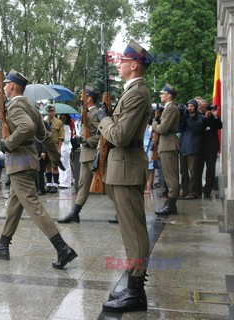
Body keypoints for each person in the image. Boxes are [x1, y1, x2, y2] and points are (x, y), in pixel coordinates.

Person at [0, 69, 77, 270]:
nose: (4, 87)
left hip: (19, 162)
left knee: (33, 206)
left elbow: (26, 128)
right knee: (14, 206)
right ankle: (3, 245)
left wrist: (7, 143)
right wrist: (55, 157)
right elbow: (44, 136)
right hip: (28, 161)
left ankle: (62, 248)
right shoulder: (31, 107)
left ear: (12, 86)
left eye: (6, 84)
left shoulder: (16, 106)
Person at [97, 40, 153, 312]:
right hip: (123, 169)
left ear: (134, 65)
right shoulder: (132, 92)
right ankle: (133, 288)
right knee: (131, 231)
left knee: (135, 233)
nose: (118, 65)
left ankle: (136, 291)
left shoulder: (137, 93)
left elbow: (120, 136)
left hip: (128, 168)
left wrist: (104, 119)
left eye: (122, 61)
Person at [58, 85, 100, 223]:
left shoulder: (95, 113)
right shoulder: (88, 112)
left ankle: (122, 210)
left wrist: (89, 141)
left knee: (108, 185)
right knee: (82, 184)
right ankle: (74, 212)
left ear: (89, 98)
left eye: (83, 96)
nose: (81, 98)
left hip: (93, 154)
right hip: (86, 154)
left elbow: (103, 134)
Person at [152, 83, 180, 215]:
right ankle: (170, 203)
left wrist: (154, 124)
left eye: (163, 93)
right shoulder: (168, 108)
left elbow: (163, 129)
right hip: (166, 144)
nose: (161, 96)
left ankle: (171, 204)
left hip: (168, 144)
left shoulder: (171, 109)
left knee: (170, 176)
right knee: (167, 175)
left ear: (169, 96)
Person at [178, 99, 203, 199]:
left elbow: (197, 129)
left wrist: (188, 118)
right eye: (188, 106)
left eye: (192, 106)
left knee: (193, 171)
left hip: (193, 148)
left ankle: (194, 192)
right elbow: (179, 128)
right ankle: (185, 190)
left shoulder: (200, 117)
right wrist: (182, 117)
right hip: (183, 147)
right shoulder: (185, 116)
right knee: (183, 171)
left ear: (196, 107)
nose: (189, 108)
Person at [198, 101, 222, 197]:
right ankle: (198, 189)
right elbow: (198, 128)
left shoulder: (212, 116)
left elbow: (219, 126)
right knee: (198, 170)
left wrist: (215, 116)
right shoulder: (198, 116)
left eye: (204, 106)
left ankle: (207, 190)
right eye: (201, 106)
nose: (202, 108)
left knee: (210, 170)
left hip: (211, 147)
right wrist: (205, 118)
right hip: (200, 147)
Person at [43, 104, 64, 193]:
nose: (50, 113)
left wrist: (59, 148)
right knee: (47, 165)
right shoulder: (44, 122)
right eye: (48, 111)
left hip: (55, 147)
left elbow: (61, 137)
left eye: (51, 111)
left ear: (54, 112)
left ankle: (55, 184)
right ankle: (49, 184)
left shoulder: (59, 122)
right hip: (46, 146)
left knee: (54, 166)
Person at [58, 114, 72, 189]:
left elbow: (67, 140)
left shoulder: (66, 127)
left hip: (65, 148)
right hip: (61, 148)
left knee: (65, 165)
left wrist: (60, 137)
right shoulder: (59, 128)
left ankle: (66, 183)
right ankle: (62, 181)